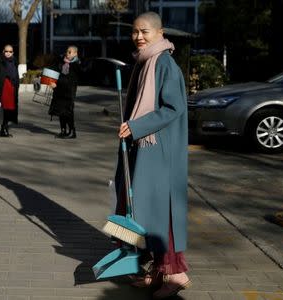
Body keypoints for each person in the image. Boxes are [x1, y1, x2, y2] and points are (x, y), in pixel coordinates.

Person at [115, 12, 190, 299]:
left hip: (161, 151)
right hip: (147, 148)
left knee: (163, 213)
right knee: (148, 211)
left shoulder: (164, 64)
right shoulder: (146, 62)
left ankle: (176, 273)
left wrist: (136, 126)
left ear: (159, 33)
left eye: (144, 31)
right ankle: (158, 270)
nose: (138, 37)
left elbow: (173, 108)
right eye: (135, 32)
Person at [48, 45, 80, 139]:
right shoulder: (61, 62)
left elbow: (69, 81)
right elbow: (54, 72)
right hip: (59, 92)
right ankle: (63, 130)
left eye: (70, 52)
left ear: (75, 54)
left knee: (68, 113)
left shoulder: (76, 65)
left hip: (68, 93)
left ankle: (72, 132)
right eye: (67, 51)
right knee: (60, 112)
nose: (68, 53)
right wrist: (51, 80)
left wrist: (57, 83)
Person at [0, 44, 19, 137]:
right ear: (3, 52)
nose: (8, 53)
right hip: (3, 89)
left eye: (10, 51)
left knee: (10, 110)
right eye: (6, 51)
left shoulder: (14, 62)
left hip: (12, 89)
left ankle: (5, 128)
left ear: (13, 53)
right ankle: (3, 129)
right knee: (3, 109)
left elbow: (16, 76)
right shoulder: (0, 62)